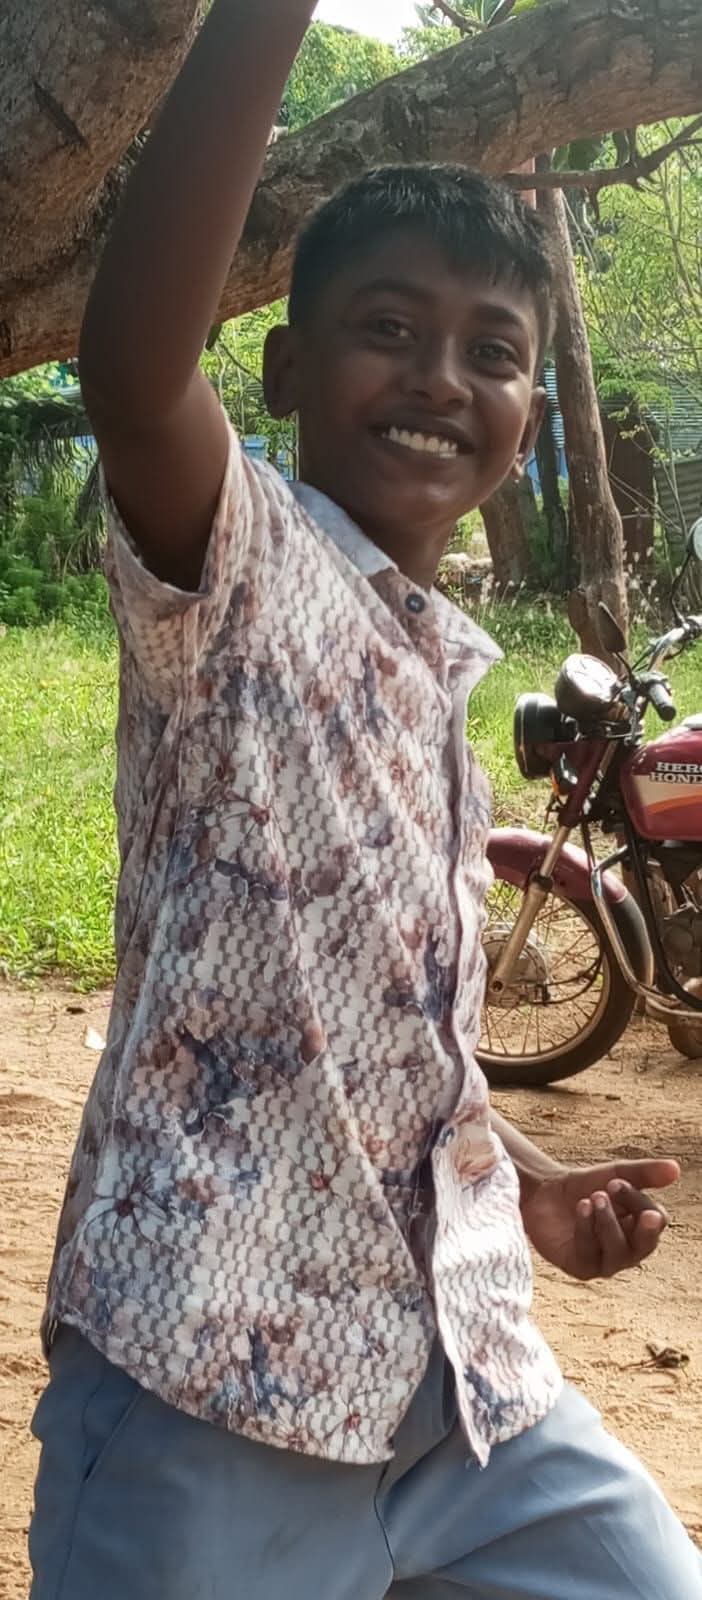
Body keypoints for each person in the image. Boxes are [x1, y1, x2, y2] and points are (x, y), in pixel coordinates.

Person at [28, 5, 701, 1597]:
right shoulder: (236, 568)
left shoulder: (436, 669)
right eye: (386, 327)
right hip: (212, 1383)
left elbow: (377, 1034)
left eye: (493, 352)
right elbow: (132, 368)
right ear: (284, 368)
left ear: (529, 410)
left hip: (458, 1387)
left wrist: (523, 1186)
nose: (439, 376)